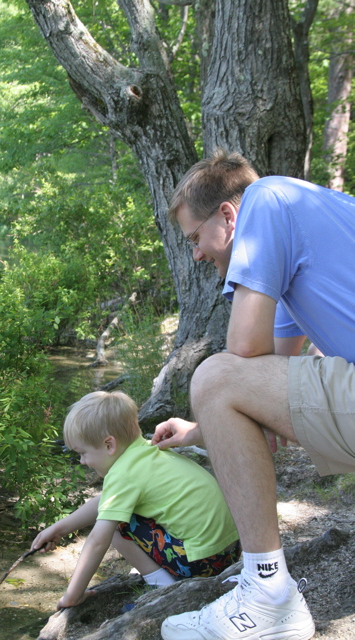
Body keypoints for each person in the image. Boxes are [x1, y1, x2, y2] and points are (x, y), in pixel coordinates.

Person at [153, 149, 355, 640]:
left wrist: (214, 400)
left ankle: (268, 594)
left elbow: (240, 354)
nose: (196, 254)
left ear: (228, 214)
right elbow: (267, 377)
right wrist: (202, 431)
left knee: (211, 375)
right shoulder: (315, 214)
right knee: (223, 382)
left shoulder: (267, 197)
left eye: (195, 237)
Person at [31, 390, 240, 611]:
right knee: (118, 511)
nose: (82, 462)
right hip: (229, 553)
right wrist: (59, 529)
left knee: (116, 527)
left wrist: (72, 596)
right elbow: (106, 501)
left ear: (109, 445)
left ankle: (162, 587)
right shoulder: (146, 451)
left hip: (200, 563)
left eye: (82, 453)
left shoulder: (123, 474)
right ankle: (166, 575)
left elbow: (97, 541)